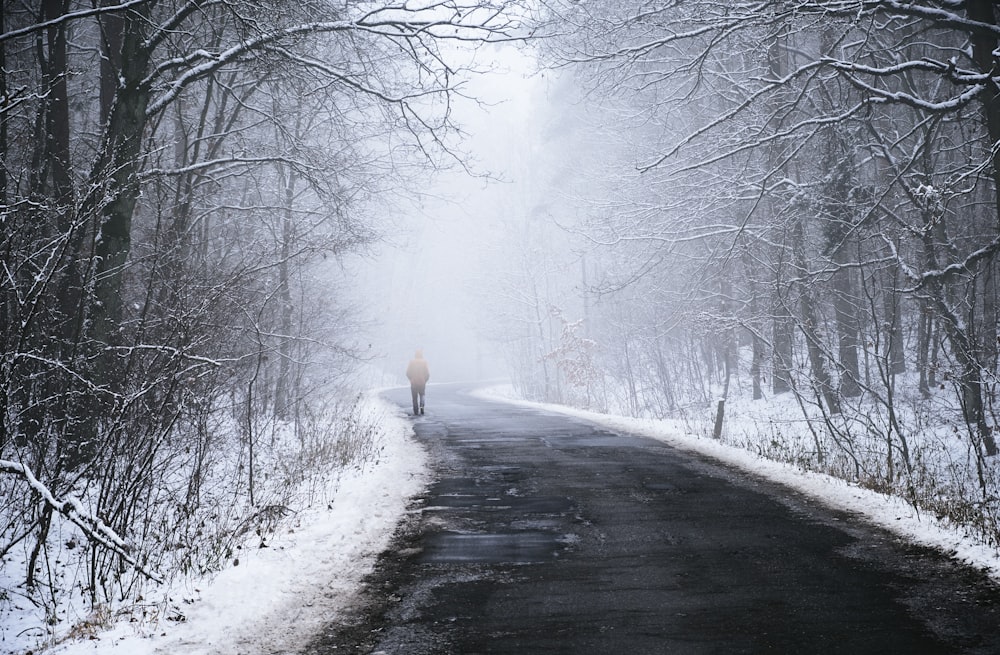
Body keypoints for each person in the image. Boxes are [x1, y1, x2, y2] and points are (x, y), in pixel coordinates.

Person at [406, 349, 430, 416]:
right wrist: (425, 380)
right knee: (422, 395)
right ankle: (422, 407)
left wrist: (411, 379)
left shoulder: (411, 362)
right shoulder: (424, 362)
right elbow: (427, 374)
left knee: (414, 397)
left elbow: (407, 373)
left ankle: (415, 411)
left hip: (414, 383)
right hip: (422, 382)